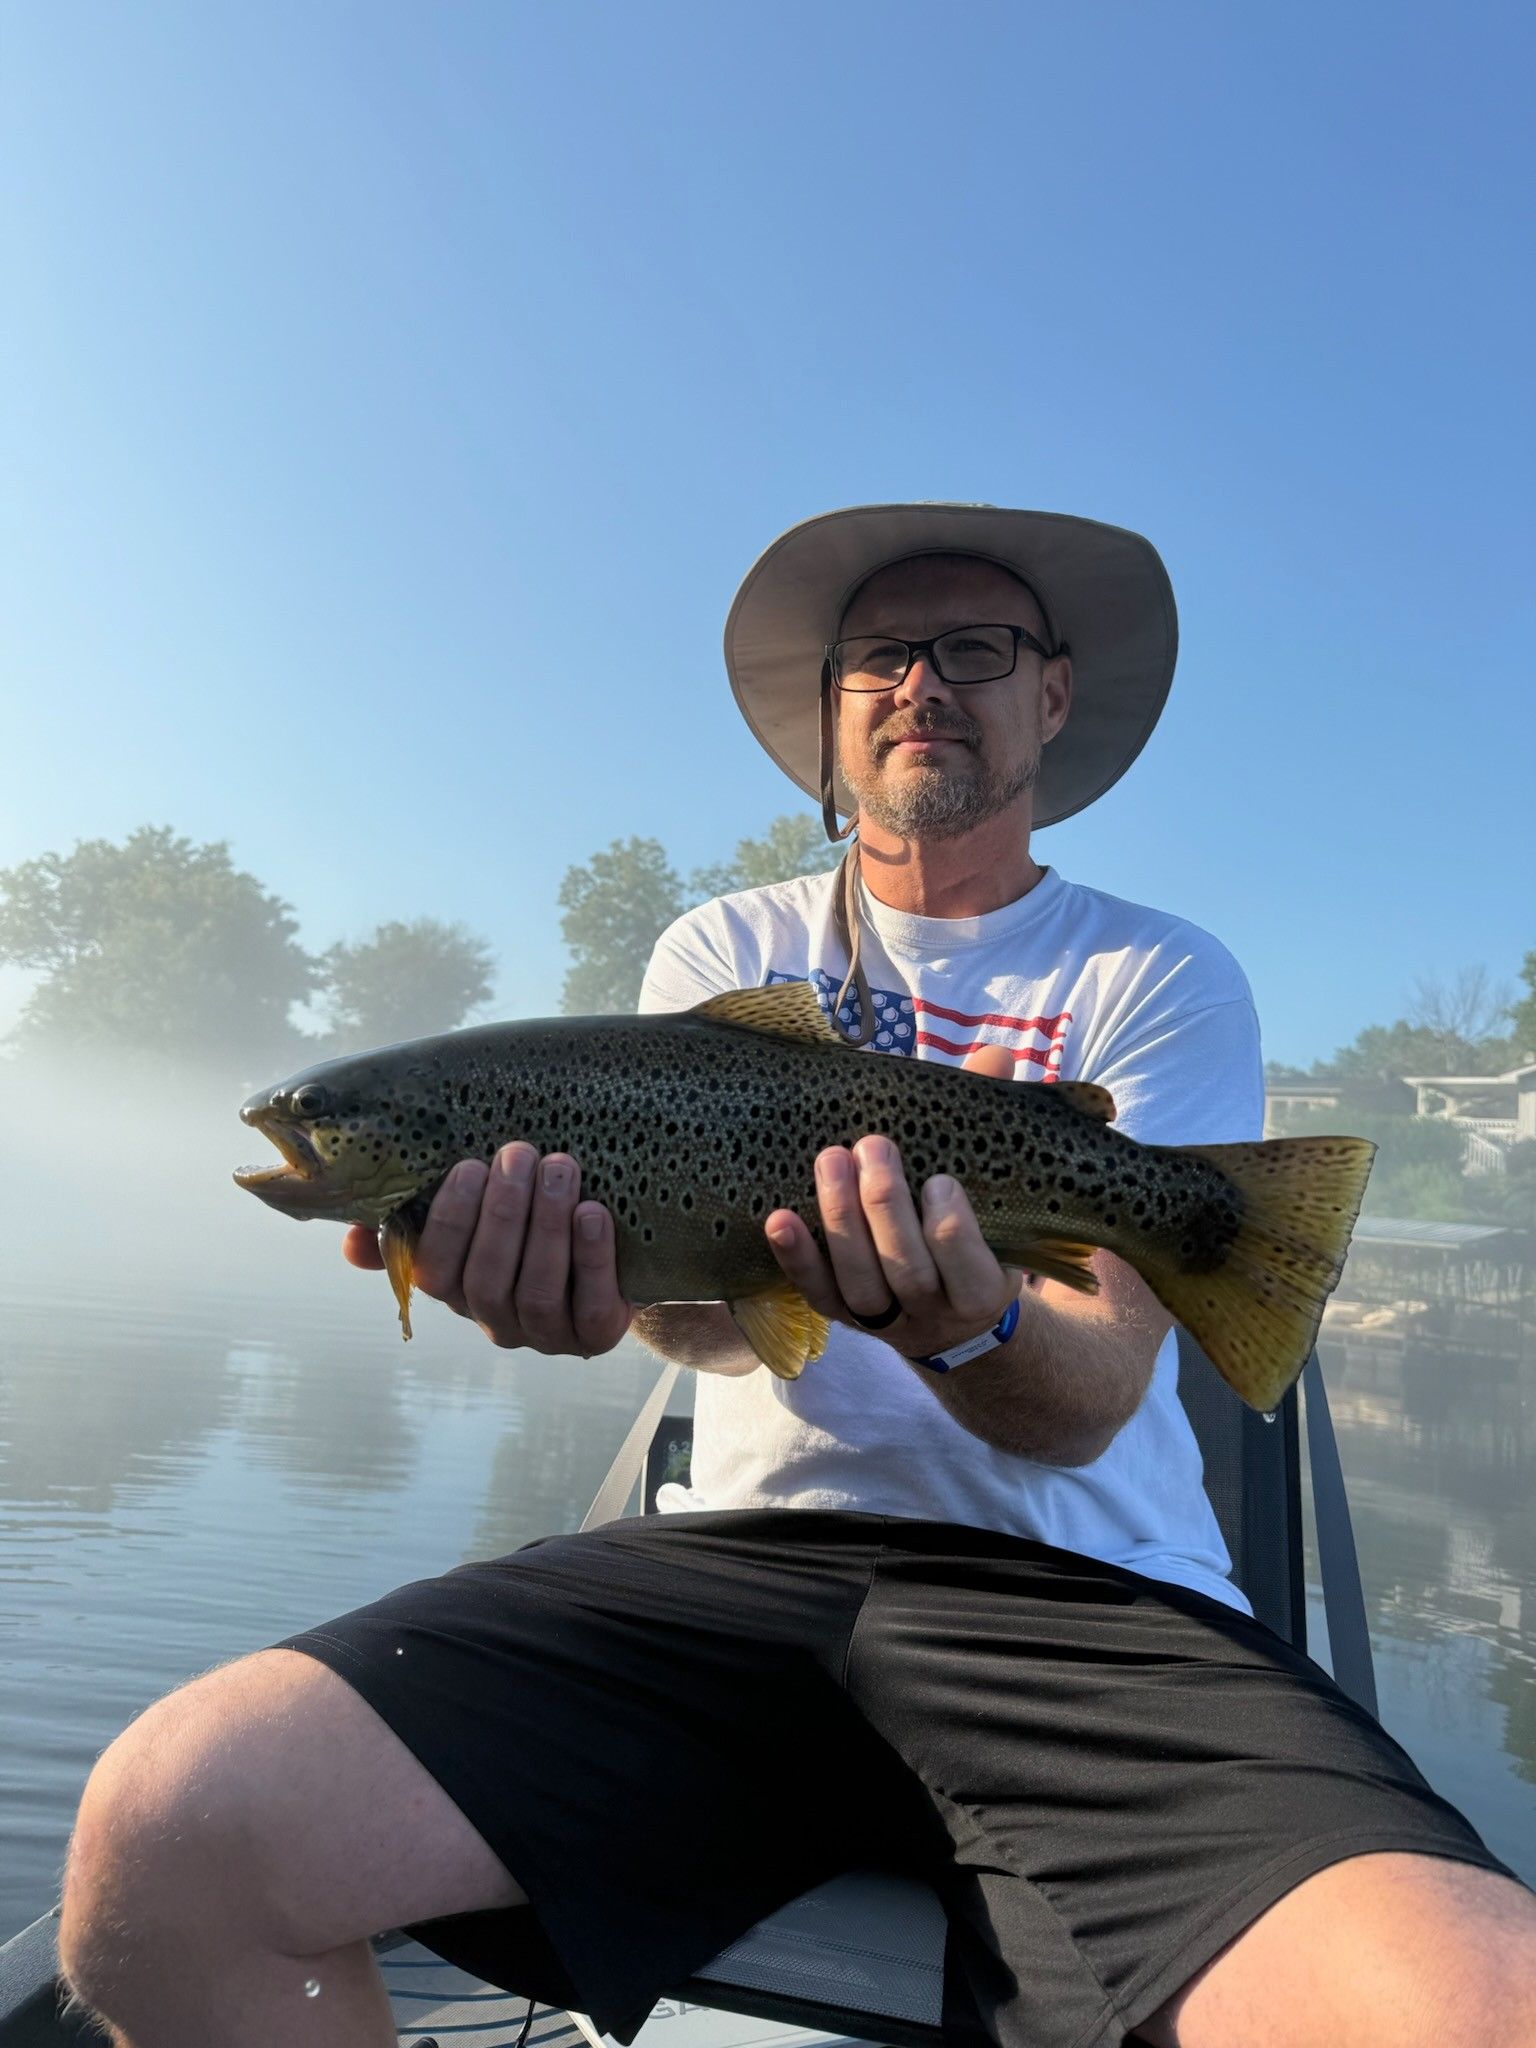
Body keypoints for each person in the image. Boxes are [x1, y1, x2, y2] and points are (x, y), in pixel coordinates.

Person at [58, 505, 1536, 2047]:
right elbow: (711, 1324)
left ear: (1052, 695)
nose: (922, 684)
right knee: (168, 1843)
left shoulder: (1152, 976)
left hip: (1087, 1606)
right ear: (832, 716)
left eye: (975, 649)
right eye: (882, 657)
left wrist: (969, 1333)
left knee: (1488, 2007)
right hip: (736, 1577)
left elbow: (1096, 1395)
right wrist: (594, 1303)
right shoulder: (720, 945)